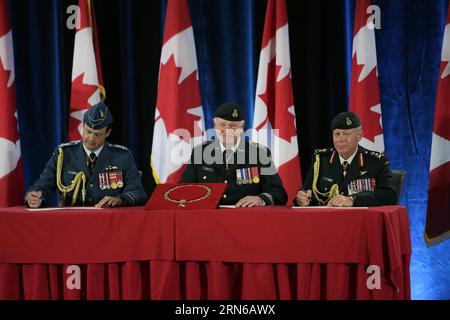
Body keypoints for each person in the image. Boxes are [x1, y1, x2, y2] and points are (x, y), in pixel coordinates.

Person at [25, 102, 147, 208]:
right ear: (82, 127)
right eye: (88, 131)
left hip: (109, 223)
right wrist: (34, 196)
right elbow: (43, 185)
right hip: (71, 223)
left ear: (108, 133)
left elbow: (138, 192)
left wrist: (121, 200)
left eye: (97, 134)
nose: (91, 138)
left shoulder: (122, 157)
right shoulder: (63, 154)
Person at [182, 102, 288, 207]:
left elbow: (279, 194)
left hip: (245, 218)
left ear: (242, 126)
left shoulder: (260, 154)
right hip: (209, 218)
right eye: (222, 125)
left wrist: (261, 199)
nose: (227, 130)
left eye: (233, 125)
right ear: (214, 125)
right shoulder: (200, 153)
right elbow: (184, 189)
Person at [295, 111, 396, 207]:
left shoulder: (376, 162)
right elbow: (308, 190)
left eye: (346, 134)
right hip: (326, 221)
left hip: (361, 221)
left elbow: (389, 196)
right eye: (337, 134)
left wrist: (353, 200)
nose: (341, 139)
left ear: (360, 136)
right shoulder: (321, 160)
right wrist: (302, 198)